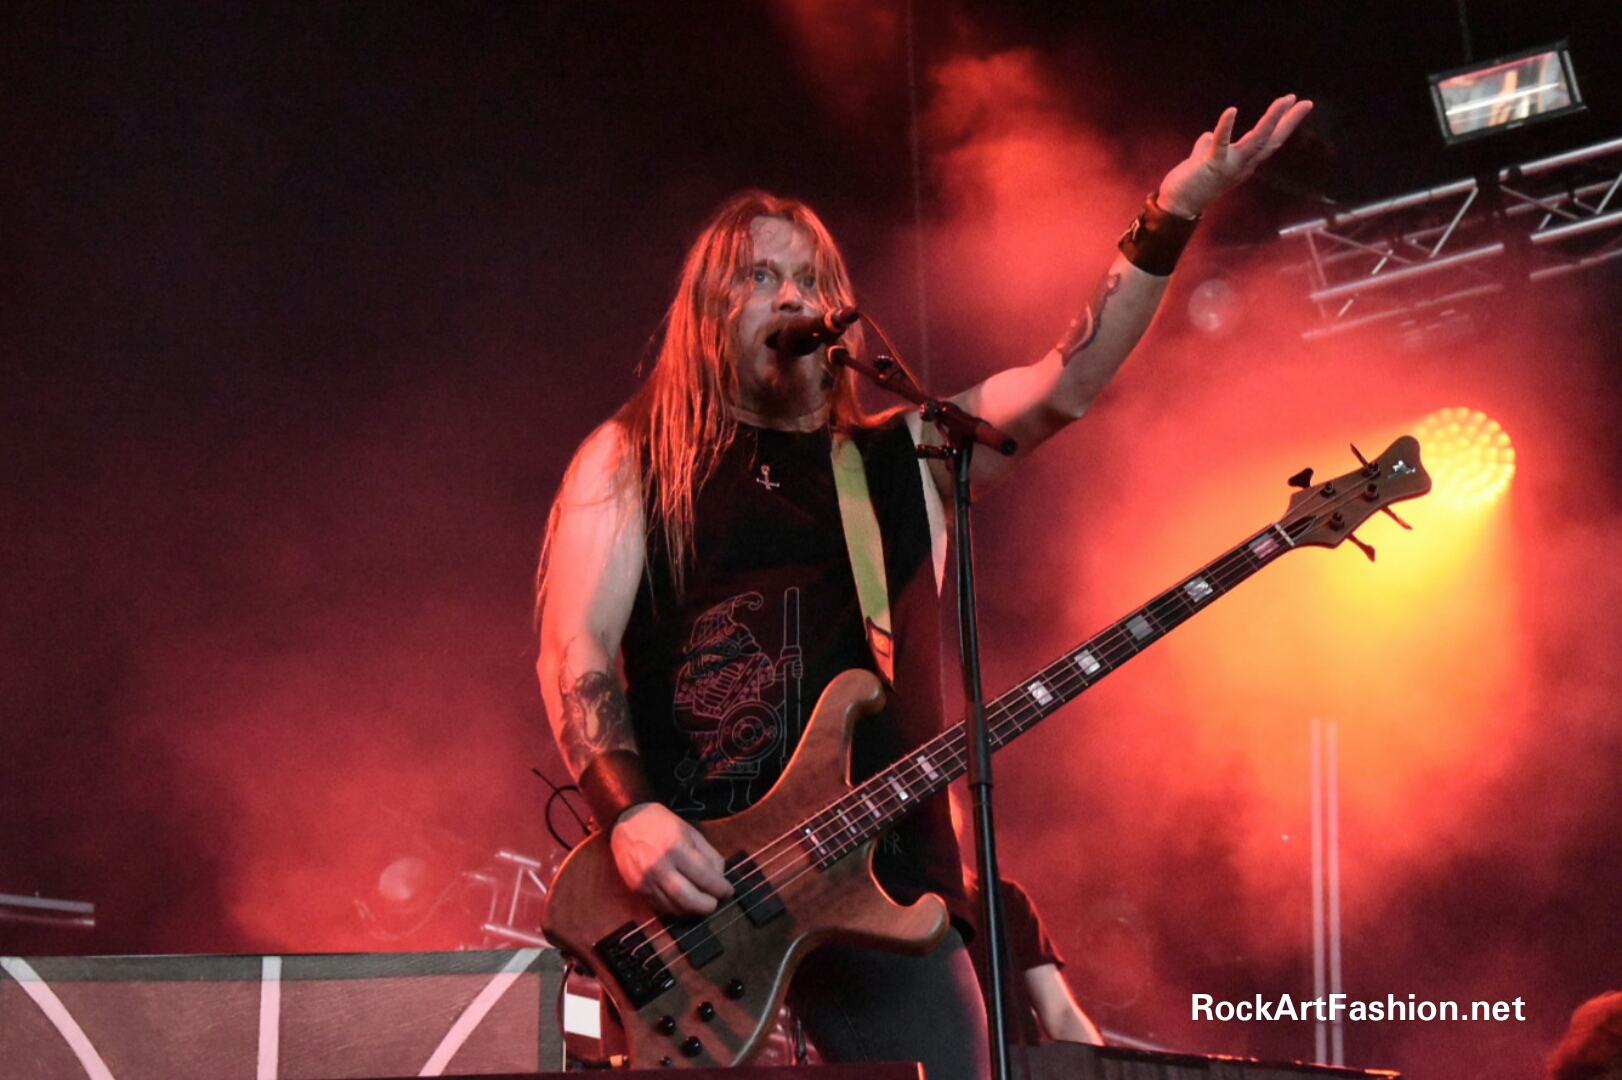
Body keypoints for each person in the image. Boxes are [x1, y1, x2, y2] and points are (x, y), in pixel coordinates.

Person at [535, 94, 1312, 1080]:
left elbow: (1061, 384)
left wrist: (1172, 211)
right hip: (692, 899)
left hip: (884, 875)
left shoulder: (904, 458)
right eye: (759, 276)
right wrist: (629, 812)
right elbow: (575, 646)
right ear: (707, 310)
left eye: (809, 279)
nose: (790, 297)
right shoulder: (633, 458)